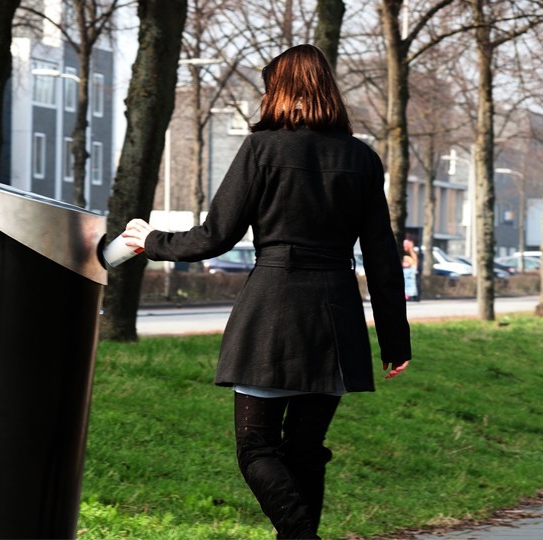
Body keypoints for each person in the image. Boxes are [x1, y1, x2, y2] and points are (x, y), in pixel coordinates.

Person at [120, 44, 411, 540]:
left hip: (273, 312)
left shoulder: (261, 149)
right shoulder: (363, 159)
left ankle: (300, 535)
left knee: (256, 447)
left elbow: (216, 236)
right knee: (305, 451)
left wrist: (152, 242)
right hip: (335, 319)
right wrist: (395, 341)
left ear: (280, 91)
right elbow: (382, 258)